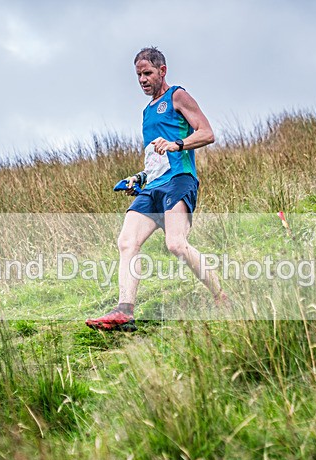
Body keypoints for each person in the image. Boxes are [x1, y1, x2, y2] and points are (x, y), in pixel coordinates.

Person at [86, 47, 228, 331]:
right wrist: (139, 178)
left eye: (147, 73)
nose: (142, 79)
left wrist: (177, 145)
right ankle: (124, 312)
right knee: (126, 242)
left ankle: (221, 296)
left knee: (175, 244)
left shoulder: (177, 95)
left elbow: (207, 133)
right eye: (138, 74)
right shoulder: (146, 112)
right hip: (153, 186)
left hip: (179, 179)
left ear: (162, 71)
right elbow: (154, 158)